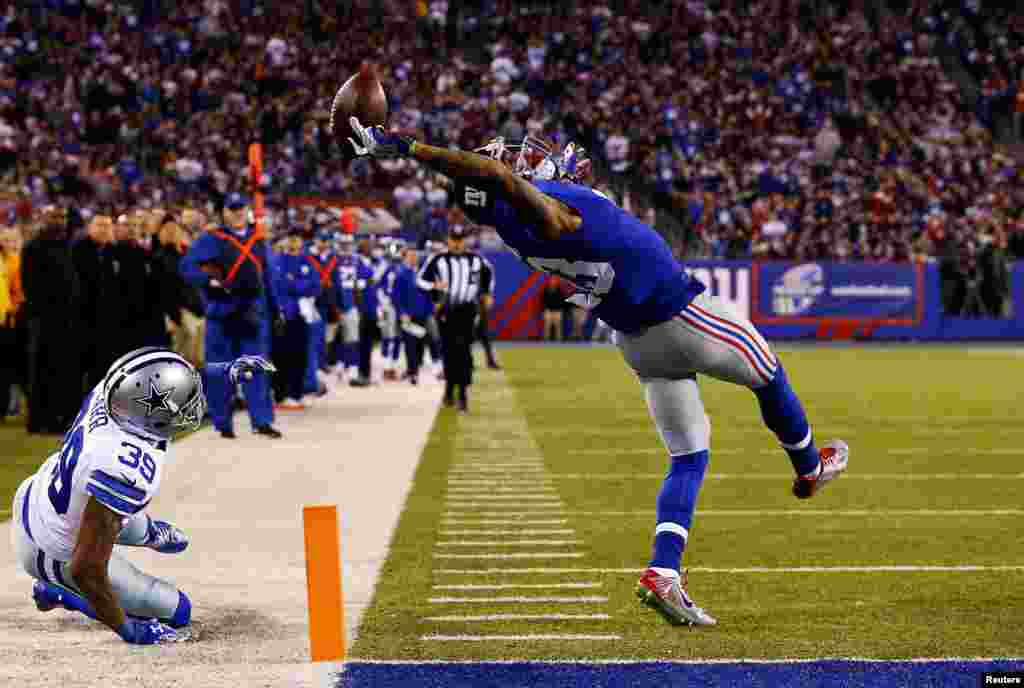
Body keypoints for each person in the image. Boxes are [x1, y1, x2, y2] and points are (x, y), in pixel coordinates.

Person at [347, 120, 850, 626]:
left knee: (689, 457)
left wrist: (418, 158)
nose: (531, 158)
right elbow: (497, 178)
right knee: (768, 373)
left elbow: (487, 182)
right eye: (517, 161)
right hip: (680, 313)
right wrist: (411, 147)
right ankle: (809, 467)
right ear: (506, 178)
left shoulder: (514, 224)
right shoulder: (545, 211)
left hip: (637, 342)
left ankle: (664, 572)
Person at [11, 347, 273, 645]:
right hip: (51, 551)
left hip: (37, 493)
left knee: (109, 506)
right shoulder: (123, 466)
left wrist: (222, 371)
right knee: (176, 611)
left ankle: (144, 530)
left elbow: (160, 374)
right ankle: (61, 592)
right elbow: (85, 568)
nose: (193, 405)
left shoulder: (115, 390)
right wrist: (130, 630)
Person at [179, 193, 284, 439]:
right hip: (221, 312)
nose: (237, 213)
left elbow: (268, 278)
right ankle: (222, 422)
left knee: (256, 368)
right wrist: (210, 281)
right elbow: (186, 267)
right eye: (232, 208)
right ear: (223, 212)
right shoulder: (211, 239)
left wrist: (276, 309)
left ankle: (262, 421)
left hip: (252, 313)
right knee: (219, 369)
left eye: (241, 208)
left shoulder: (259, 240)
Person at [415, 225, 493, 411]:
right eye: (454, 239)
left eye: (460, 239)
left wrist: (487, 293)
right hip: (446, 310)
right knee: (450, 351)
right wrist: (435, 285)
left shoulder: (476, 260)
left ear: (465, 240)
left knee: (464, 351)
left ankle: (463, 393)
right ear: (448, 240)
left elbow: (488, 273)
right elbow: (420, 280)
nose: (457, 243)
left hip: (467, 310)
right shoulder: (438, 259)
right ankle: (450, 389)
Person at [22, 206, 83, 434]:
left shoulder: (66, 246)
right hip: (44, 320)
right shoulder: (33, 247)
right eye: (55, 217)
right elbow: (31, 287)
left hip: (67, 320)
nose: (60, 221)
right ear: (43, 218)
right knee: (42, 371)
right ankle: (40, 420)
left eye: (62, 217)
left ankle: (60, 417)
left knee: (63, 371)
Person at [270, 231, 317, 408]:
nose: (294, 242)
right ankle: (281, 394)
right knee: (281, 355)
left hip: (302, 315)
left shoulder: (307, 261)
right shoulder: (277, 261)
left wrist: (294, 283)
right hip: (283, 315)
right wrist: (299, 284)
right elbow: (279, 284)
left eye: (297, 239)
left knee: (300, 355)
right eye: (291, 238)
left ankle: (296, 393)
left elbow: (315, 286)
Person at [397, 246, 434, 385]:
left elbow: (428, 294)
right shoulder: (401, 274)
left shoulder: (422, 273)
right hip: (409, 315)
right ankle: (413, 372)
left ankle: (414, 368)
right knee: (410, 344)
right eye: (411, 256)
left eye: (415, 255)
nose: (413, 258)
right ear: (405, 258)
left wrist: (431, 311)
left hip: (422, 314)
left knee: (420, 344)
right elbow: (397, 296)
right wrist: (402, 313)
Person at [330, 231, 363, 382]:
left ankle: (352, 366)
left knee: (352, 338)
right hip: (335, 304)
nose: (346, 247)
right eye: (343, 244)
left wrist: (358, 303)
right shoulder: (332, 260)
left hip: (350, 304)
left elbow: (361, 283)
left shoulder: (357, 261)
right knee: (333, 338)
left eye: (348, 244)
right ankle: (338, 364)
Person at [475, 251, 501, 368]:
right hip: (465, 301)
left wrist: (488, 294)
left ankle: (490, 360)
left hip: (478, 301)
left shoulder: (482, 263)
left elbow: (489, 273)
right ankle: (465, 361)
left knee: (484, 332)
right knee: (464, 333)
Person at [542, 274, 567, 341]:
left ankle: (558, 345)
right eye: (551, 280)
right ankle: (545, 344)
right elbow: (543, 301)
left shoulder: (560, 291)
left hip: (558, 311)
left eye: (554, 280)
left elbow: (562, 302)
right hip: (548, 311)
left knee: (558, 327)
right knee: (546, 327)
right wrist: (546, 310)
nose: (552, 281)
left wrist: (560, 311)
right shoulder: (546, 290)